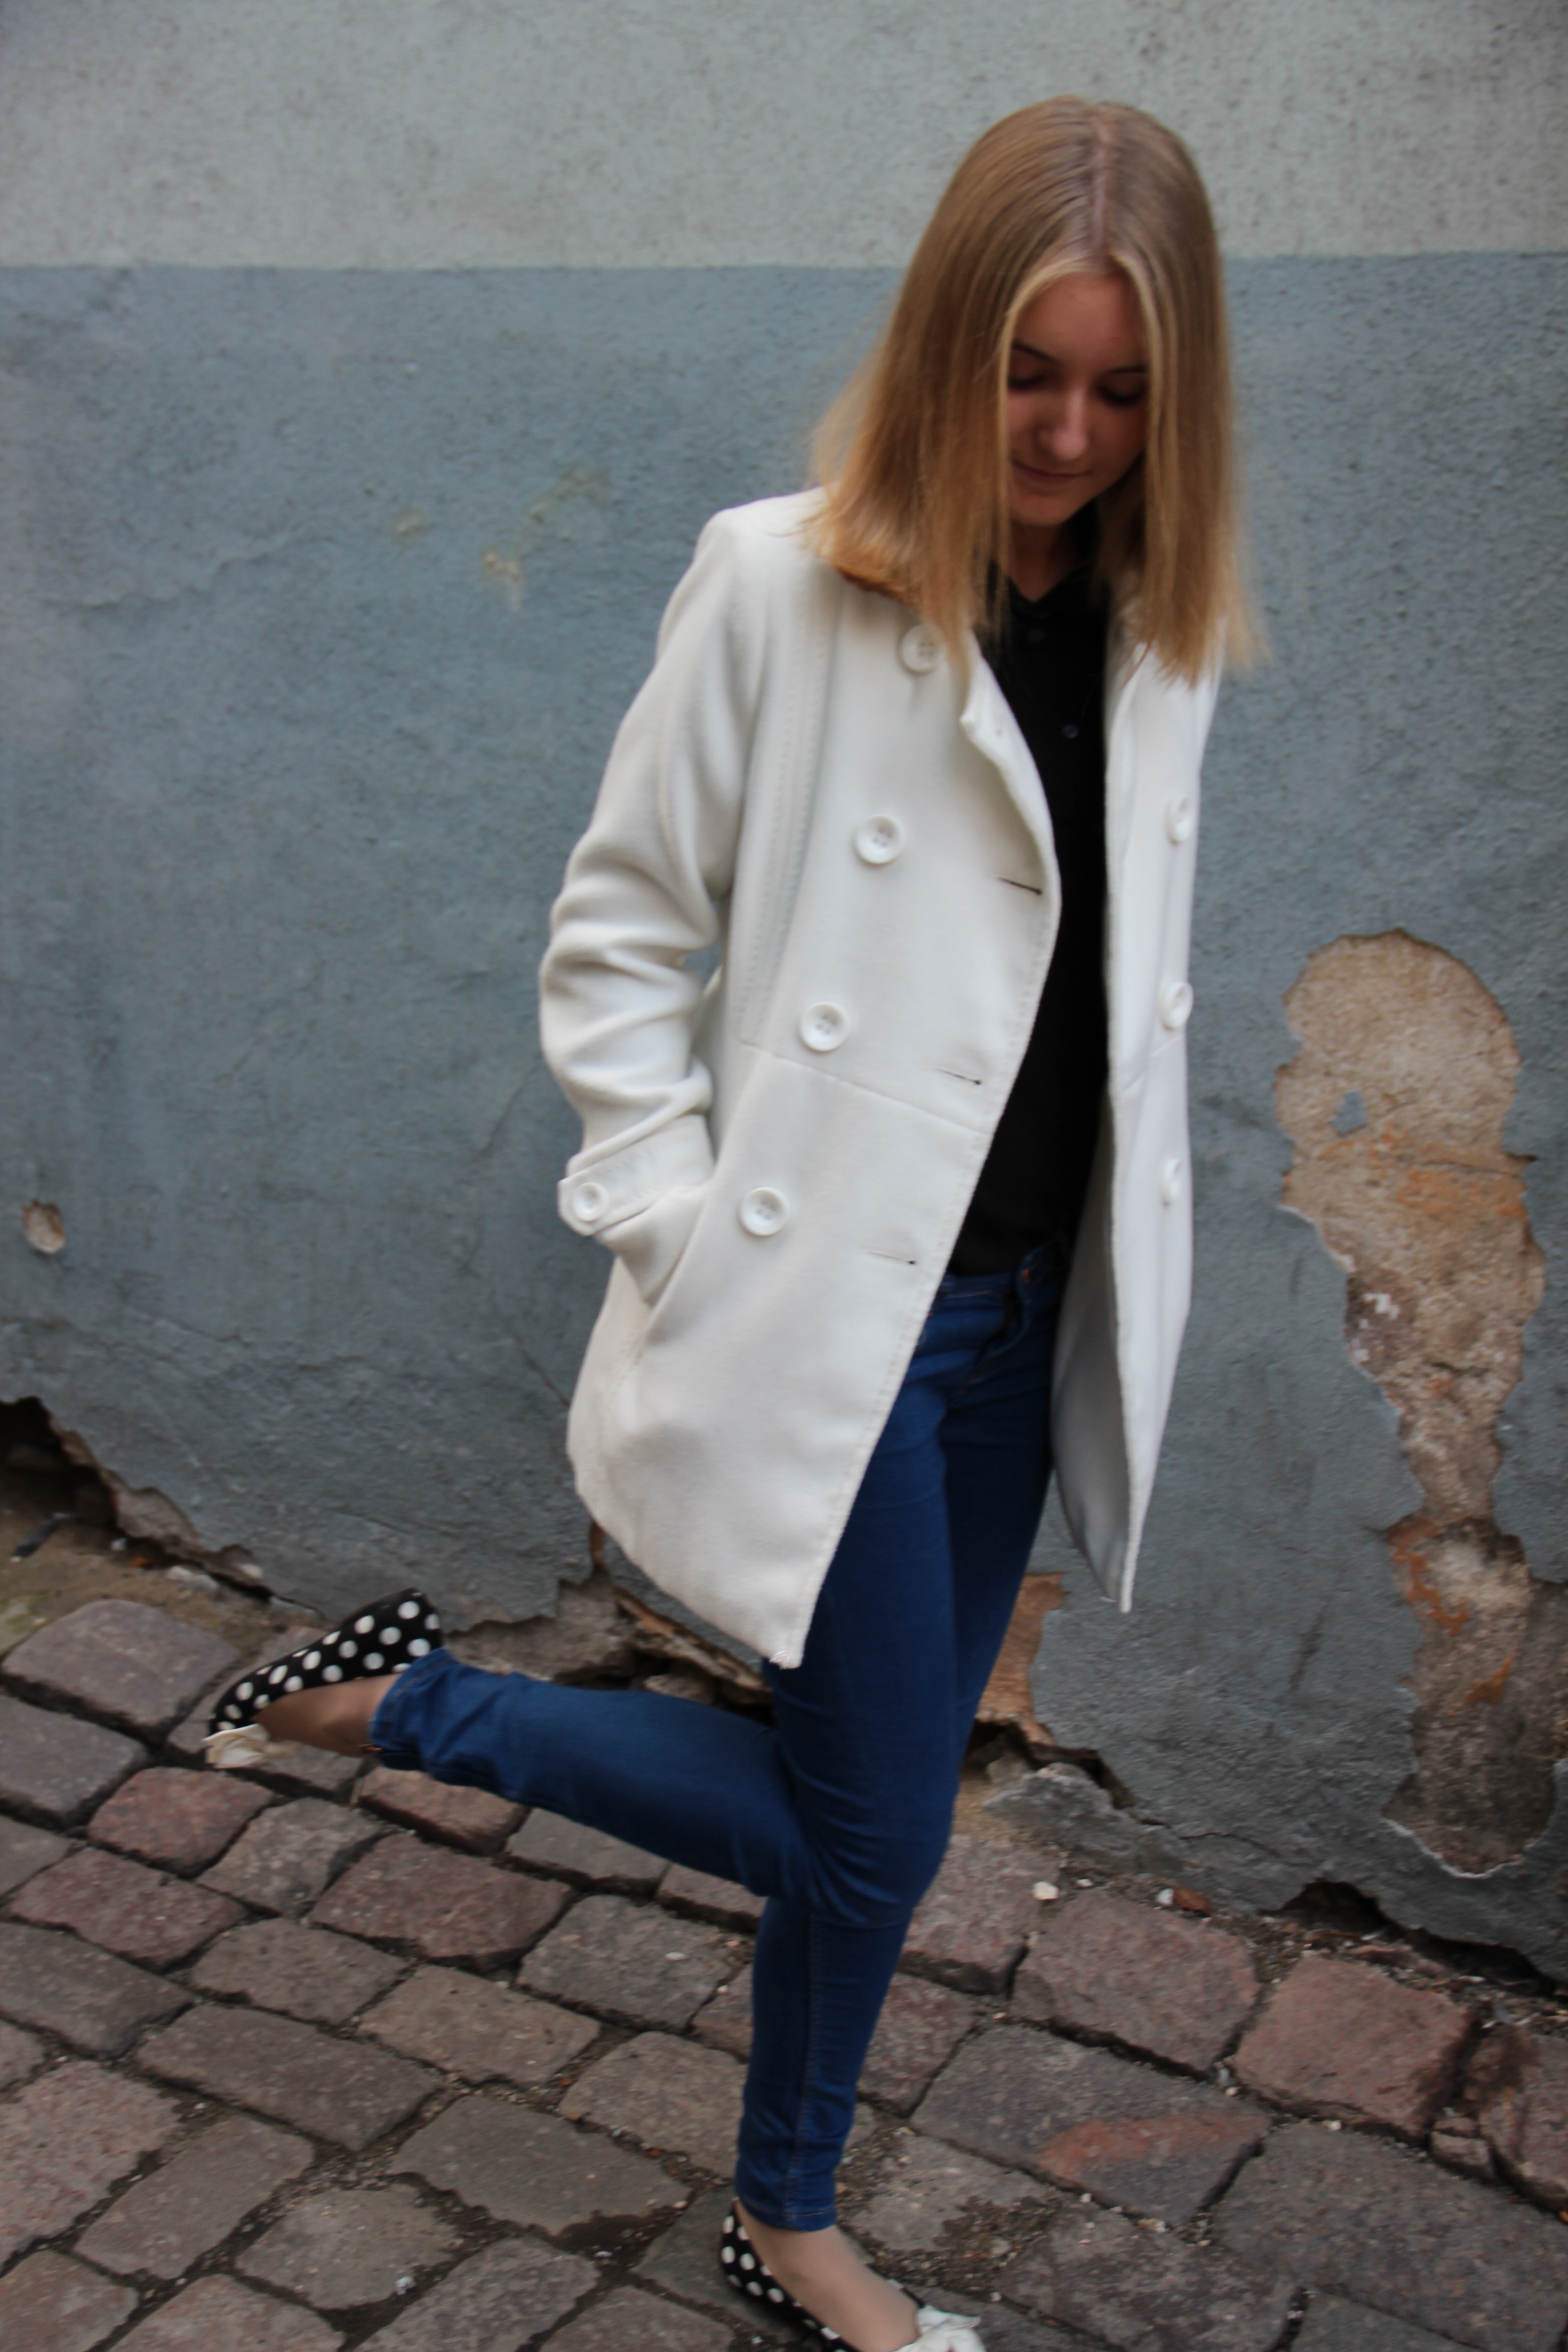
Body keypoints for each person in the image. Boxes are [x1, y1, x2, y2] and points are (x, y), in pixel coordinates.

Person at [203, 97, 1256, 2352]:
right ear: (948, 342)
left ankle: (786, 2216)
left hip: (1026, 1311)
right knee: (874, 1834)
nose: (1069, 435)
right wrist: (674, 1224)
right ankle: (417, 1708)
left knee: (870, 1808)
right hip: (830, 1316)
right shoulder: (785, 580)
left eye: (1123, 389)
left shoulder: (1158, 629)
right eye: (1029, 372)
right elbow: (619, 935)